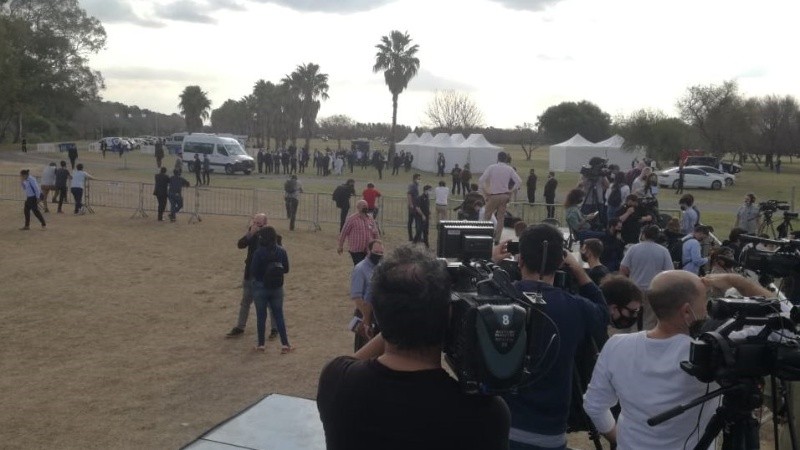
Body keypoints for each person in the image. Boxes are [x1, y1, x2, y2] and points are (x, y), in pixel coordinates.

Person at [317, 244, 511, 450]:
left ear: (378, 312)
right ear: (449, 316)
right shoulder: (487, 415)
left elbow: (354, 360)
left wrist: (396, 313)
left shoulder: (336, 382)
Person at [583, 271, 769, 450]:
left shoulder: (616, 345)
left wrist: (619, 439)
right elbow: (786, 318)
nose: (708, 309)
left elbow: (594, 405)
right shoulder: (715, 353)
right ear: (687, 311)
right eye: (705, 301)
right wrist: (737, 281)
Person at [502, 224, 608, 450]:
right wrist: (579, 270)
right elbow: (602, 313)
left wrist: (491, 263)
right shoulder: (577, 308)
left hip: (499, 425)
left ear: (520, 260)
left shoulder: (498, 298)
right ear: (561, 262)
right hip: (549, 433)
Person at [226, 213, 277, 339]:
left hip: (265, 277)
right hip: (250, 274)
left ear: (265, 224)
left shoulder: (272, 235)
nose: (255, 225)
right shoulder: (251, 234)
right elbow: (240, 244)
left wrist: (262, 234)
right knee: (245, 302)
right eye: (254, 222)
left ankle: (275, 329)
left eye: (258, 223)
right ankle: (240, 326)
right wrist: (250, 234)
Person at [620, 225, 674, 330]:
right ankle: (646, 338)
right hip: (653, 289)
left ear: (643, 234)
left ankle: (634, 338)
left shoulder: (633, 249)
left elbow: (623, 269)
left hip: (635, 288)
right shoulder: (663, 251)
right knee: (649, 319)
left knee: (633, 316)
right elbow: (669, 272)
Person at [250, 226, 293, 354]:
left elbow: (253, 271)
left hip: (260, 286)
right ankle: (285, 344)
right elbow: (286, 269)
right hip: (277, 287)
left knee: (261, 317)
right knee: (279, 315)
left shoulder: (258, 253)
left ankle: (261, 344)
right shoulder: (281, 251)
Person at [349, 240, 384, 351]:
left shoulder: (381, 267)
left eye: (381, 252)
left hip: (377, 315)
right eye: (376, 251)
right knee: (363, 348)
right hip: (364, 312)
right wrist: (366, 319)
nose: (378, 255)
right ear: (368, 251)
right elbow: (357, 298)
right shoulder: (360, 269)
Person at [478, 152, 522, 242]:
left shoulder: (492, 167)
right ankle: (497, 238)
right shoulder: (509, 169)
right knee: (501, 218)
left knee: (487, 216)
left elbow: (481, 180)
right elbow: (519, 181)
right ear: (506, 159)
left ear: (498, 158)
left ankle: (485, 235)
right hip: (504, 195)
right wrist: (511, 191)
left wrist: (485, 192)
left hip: (494, 195)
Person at [338, 199, 380, 265]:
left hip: (368, 249)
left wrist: (378, 244)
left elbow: (376, 232)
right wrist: (340, 246)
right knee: (359, 265)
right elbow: (344, 232)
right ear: (358, 208)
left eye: (366, 205)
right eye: (363, 206)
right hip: (356, 250)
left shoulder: (371, 218)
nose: (365, 207)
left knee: (367, 266)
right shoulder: (352, 219)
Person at [407, 173, 424, 243]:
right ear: (415, 178)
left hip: (414, 206)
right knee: (415, 222)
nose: (420, 180)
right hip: (413, 207)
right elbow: (409, 194)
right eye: (419, 179)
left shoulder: (416, 185)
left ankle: (414, 237)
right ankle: (415, 237)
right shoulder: (413, 185)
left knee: (412, 222)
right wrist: (411, 204)